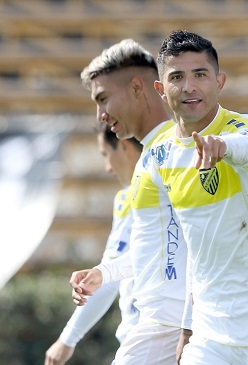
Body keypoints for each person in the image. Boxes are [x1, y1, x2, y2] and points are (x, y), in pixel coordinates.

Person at [136, 30, 248, 364]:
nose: (189, 86)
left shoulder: (246, 129)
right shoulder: (161, 159)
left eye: (200, 74)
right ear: (161, 90)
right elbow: (196, 249)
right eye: (177, 77)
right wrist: (187, 328)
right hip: (210, 337)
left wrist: (224, 147)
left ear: (219, 82)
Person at [69, 38, 190, 365]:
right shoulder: (151, 158)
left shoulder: (179, 152)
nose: (100, 115)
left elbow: (206, 243)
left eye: (104, 98)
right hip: (160, 324)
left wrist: (190, 328)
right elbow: (160, 246)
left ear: (137, 87)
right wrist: (105, 273)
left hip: (171, 326)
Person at [44, 125, 142, 365]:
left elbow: (108, 279)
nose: (108, 167)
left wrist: (67, 339)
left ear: (123, 146)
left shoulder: (136, 196)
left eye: (105, 154)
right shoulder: (131, 196)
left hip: (147, 340)